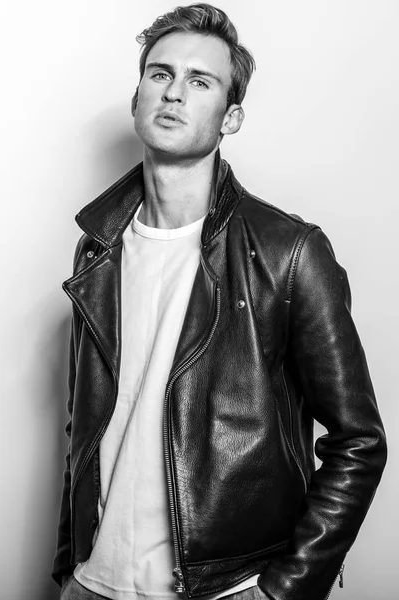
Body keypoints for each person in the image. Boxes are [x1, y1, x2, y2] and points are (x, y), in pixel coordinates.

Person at [51, 4, 387, 599]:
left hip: (226, 587)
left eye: (199, 81)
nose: (173, 93)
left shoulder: (288, 254)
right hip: (94, 584)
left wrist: (281, 590)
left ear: (231, 117)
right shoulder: (97, 249)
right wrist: (69, 570)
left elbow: (358, 442)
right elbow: (85, 428)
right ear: (136, 100)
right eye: (159, 74)